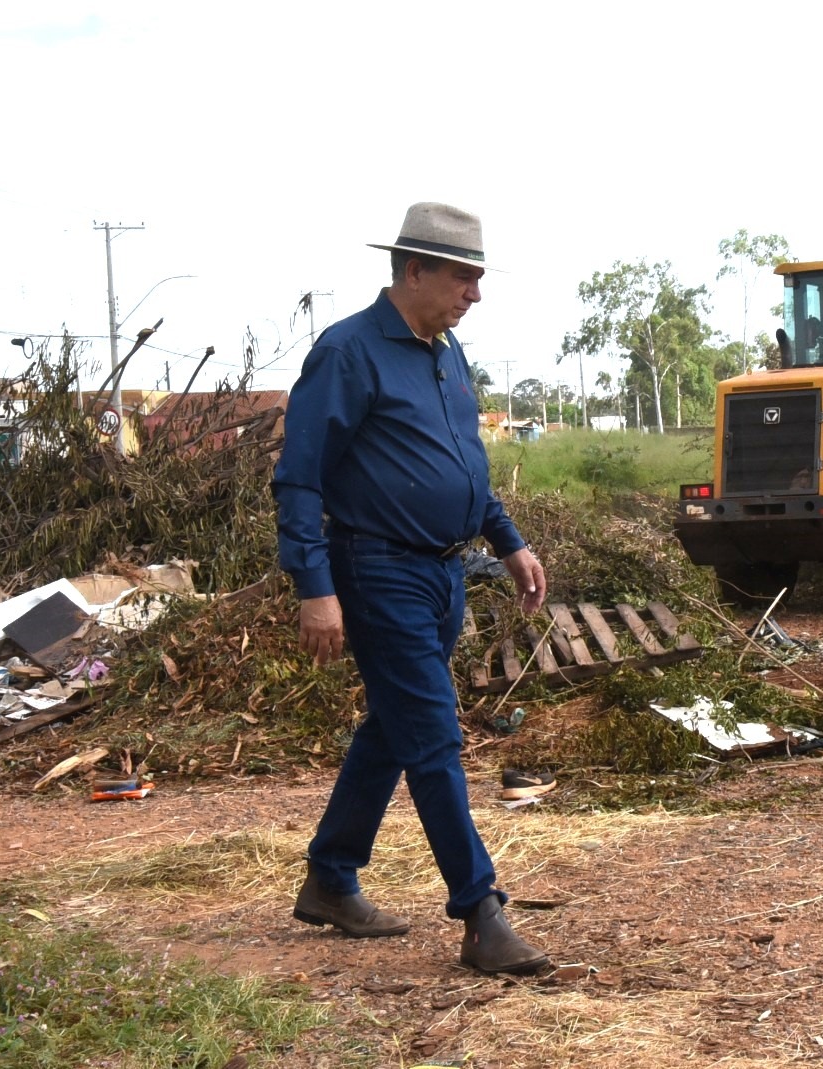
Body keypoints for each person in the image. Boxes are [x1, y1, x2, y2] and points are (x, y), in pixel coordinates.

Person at [272, 201, 550, 975]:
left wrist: (508, 538)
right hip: (375, 567)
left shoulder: (444, 351)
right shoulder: (349, 353)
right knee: (432, 734)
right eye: (465, 277)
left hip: (442, 570)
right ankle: (480, 910)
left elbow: (464, 462)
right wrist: (314, 586)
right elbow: (298, 478)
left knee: (394, 727)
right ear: (414, 269)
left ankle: (330, 875)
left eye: (479, 278)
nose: (476, 294)